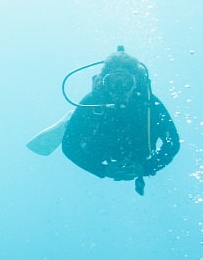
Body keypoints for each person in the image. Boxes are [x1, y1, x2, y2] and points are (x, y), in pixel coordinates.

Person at [58, 48, 180, 196]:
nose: (120, 89)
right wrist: (101, 169)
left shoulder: (149, 104)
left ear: (135, 83)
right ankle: (70, 121)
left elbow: (172, 142)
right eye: (114, 82)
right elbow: (69, 145)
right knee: (80, 131)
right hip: (99, 149)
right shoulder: (92, 102)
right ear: (105, 83)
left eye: (126, 82)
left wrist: (146, 167)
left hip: (138, 154)